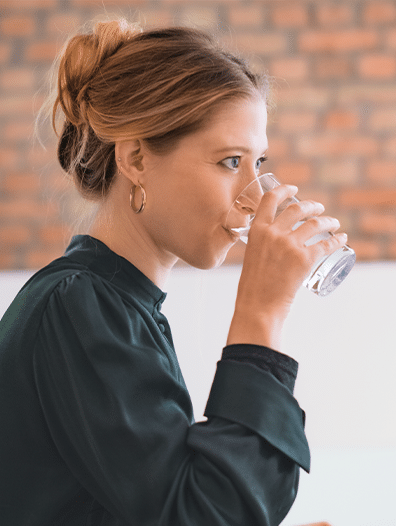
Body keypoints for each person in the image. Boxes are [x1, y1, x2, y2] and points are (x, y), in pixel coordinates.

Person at [0, 19, 345, 526]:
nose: (256, 198)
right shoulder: (78, 304)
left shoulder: (114, 303)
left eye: (259, 163)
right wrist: (262, 310)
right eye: (230, 162)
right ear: (136, 158)